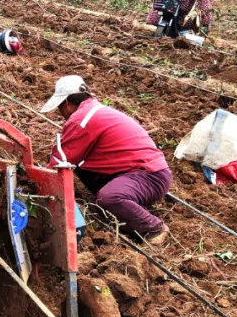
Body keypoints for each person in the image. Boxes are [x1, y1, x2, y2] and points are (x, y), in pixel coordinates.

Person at [41, 75, 170, 244]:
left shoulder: (82, 119)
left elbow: (59, 161)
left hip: (149, 177)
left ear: (66, 103)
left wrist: (38, 184)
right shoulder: (95, 111)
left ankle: (154, 228)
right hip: (145, 173)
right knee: (80, 165)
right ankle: (122, 206)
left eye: (59, 107)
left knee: (108, 198)